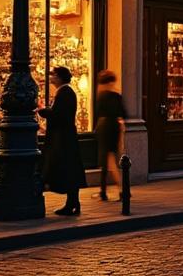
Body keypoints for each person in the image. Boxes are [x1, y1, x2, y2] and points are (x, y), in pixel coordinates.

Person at [40, 66, 85, 215]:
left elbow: (59, 114)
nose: (51, 78)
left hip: (64, 138)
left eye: (53, 75)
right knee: (69, 170)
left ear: (59, 77)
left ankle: (72, 203)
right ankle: (73, 202)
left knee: (67, 169)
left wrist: (43, 111)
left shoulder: (65, 92)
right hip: (65, 137)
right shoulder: (66, 92)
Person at [93, 70, 127, 202]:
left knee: (105, 160)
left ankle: (105, 191)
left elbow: (98, 112)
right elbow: (124, 113)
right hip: (115, 126)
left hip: (104, 126)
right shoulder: (117, 96)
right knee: (112, 159)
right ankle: (120, 190)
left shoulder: (101, 96)